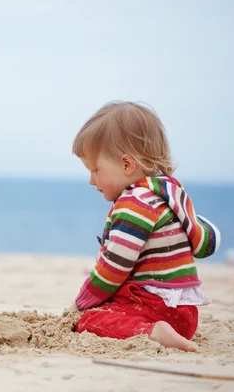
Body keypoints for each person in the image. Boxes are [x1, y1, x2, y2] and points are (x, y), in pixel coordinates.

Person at [70, 101, 221, 352]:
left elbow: (114, 268)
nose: (91, 180)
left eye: (96, 170)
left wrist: (82, 301)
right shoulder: (170, 195)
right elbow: (206, 243)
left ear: (127, 165)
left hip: (155, 310)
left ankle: (152, 333)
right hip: (186, 316)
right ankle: (163, 331)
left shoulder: (134, 203)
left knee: (89, 320)